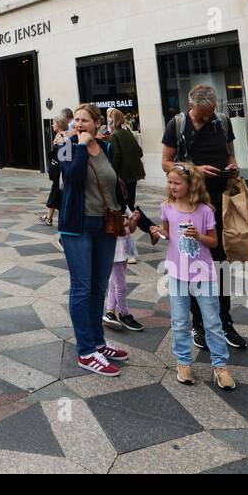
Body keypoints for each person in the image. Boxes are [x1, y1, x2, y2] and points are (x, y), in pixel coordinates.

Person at [160, 85, 246, 351]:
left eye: (209, 114)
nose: (205, 118)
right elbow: (165, 162)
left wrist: (232, 165)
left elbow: (230, 152)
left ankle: (223, 321)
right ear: (191, 106)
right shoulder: (177, 124)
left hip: (221, 202)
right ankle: (198, 323)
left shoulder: (221, 121)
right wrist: (194, 169)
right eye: (201, 115)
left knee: (220, 261)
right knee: (194, 264)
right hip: (191, 204)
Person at [56, 104, 131, 377]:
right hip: (77, 226)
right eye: (76, 120)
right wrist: (79, 145)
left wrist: (128, 214)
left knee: (99, 287)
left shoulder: (107, 149)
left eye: (84, 120)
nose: (78, 124)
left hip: (105, 225)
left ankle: (98, 341)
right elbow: (72, 177)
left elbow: (114, 186)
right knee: (82, 287)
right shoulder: (66, 146)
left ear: (98, 123)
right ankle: (86, 352)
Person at [162, 162, 235, 389]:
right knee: (179, 320)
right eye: (170, 182)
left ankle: (220, 366)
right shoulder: (167, 207)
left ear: (191, 185)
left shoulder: (205, 211)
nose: (172, 186)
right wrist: (157, 233)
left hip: (204, 272)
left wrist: (199, 236)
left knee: (213, 321)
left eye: (177, 183)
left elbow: (214, 242)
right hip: (176, 272)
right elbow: (168, 233)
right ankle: (183, 363)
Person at [104, 108, 147, 331]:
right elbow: (139, 151)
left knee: (126, 207)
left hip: (121, 176)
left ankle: (115, 311)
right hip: (132, 175)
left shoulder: (114, 136)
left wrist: (114, 173)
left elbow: (116, 157)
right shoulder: (128, 132)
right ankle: (117, 311)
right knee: (129, 205)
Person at [40, 115, 66, 226]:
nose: (52, 125)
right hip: (58, 171)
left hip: (60, 171)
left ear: (59, 124)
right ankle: (48, 216)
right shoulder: (58, 136)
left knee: (56, 192)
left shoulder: (62, 137)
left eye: (54, 123)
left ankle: (49, 217)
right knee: (56, 192)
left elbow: (63, 157)